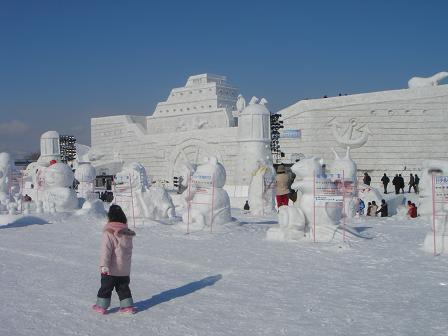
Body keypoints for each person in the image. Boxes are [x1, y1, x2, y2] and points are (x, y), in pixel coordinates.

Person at [92, 205, 136, 315]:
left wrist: (104, 265)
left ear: (110, 217)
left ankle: (101, 306)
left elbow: (106, 251)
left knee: (106, 288)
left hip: (110, 269)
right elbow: (127, 253)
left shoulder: (109, 232)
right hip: (124, 270)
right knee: (123, 288)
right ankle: (127, 307)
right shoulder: (127, 234)